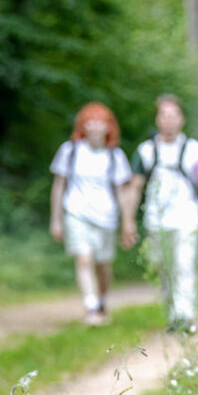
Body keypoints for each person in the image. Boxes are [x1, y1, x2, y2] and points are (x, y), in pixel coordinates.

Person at [127, 94, 198, 334]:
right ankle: (172, 314)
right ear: (157, 119)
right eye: (163, 115)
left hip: (187, 217)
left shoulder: (195, 150)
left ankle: (185, 316)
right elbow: (134, 186)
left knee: (184, 265)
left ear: (182, 119)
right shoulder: (145, 151)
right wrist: (128, 221)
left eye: (173, 115)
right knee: (163, 268)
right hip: (156, 220)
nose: (168, 121)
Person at [49, 102, 136, 326]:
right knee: (83, 258)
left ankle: (101, 299)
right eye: (90, 123)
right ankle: (91, 306)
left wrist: (128, 222)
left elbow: (122, 192)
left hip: (106, 217)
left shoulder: (115, 156)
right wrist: (56, 220)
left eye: (100, 123)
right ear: (83, 127)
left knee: (103, 265)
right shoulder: (69, 152)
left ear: (108, 128)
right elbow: (59, 186)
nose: (95, 127)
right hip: (76, 212)